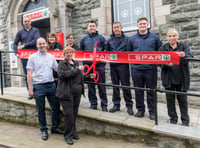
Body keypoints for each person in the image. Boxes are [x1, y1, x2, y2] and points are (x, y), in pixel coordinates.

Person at [26, 37, 64, 141]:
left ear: (46, 44)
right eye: (40, 44)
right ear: (37, 45)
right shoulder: (32, 57)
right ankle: (43, 130)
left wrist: (70, 66)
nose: (42, 45)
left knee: (56, 107)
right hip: (38, 86)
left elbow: (57, 69)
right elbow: (29, 74)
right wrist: (30, 89)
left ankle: (55, 128)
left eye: (43, 43)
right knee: (41, 109)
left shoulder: (51, 57)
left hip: (51, 85)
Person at [56, 46, 95, 145]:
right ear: (64, 55)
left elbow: (79, 77)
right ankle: (67, 136)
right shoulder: (61, 64)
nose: (69, 54)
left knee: (74, 114)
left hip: (77, 93)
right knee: (68, 115)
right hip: (66, 94)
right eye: (67, 53)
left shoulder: (76, 63)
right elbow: (63, 75)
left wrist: (89, 77)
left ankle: (73, 132)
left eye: (70, 52)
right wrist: (77, 70)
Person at [128, 17, 162, 120]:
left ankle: (152, 111)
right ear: (137, 26)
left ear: (147, 25)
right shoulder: (132, 39)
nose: (142, 25)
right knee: (138, 91)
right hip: (136, 69)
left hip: (150, 69)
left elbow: (159, 51)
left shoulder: (155, 38)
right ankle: (140, 110)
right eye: (140, 24)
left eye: (144, 24)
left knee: (151, 91)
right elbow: (128, 53)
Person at [159, 28, 192, 126]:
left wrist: (184, 55)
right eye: (170, 36)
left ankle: (185, 121)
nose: (172, 38)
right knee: (170, 101)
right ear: (167, 37)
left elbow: (189, 56)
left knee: (183, 101)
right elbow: (159, 62)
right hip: (168, 80)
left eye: (174, 36)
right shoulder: (163, 48)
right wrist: (166, 64)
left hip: (181, 80)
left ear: (177, 37)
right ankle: (173, 119)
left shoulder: (183, 46)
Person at [80, 20, 108, 112]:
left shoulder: (101, 38)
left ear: (96, 27)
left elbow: (106, 51)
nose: (91, 27)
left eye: (93, 26)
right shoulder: (84, 40)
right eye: (90, 26)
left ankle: (104, 105)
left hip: (99, 66)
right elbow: (81, 53)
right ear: (87, 28)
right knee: (91, 86)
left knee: (101, 86)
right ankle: (93, 103)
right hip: (89, 67)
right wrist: (85, 65)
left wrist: (102, 63)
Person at [107, 22, 133, 115]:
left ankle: (129, 106)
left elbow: (130, 52)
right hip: (113, 66)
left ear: (121, 28)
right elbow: (107, 53)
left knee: (126, 86)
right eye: (114, 27)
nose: (116, 29)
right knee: (115, 86)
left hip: (123, 66)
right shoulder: (109, 40)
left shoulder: (127, 40)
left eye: (118, 27)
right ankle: (116, 105)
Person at [13, 16, 40, 100]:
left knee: (36, 73)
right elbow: (15, 43)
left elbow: (36, 40)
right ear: (23, 22)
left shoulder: (35, 30)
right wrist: (16, 53)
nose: (26, 23)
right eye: (25, 21)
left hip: (34, 55)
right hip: (24, 56)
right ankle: (30, 92)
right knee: (27, 74)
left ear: (30, 22)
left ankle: (38, 92)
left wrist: (25, 45)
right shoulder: (20, 32)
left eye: (28, 21)